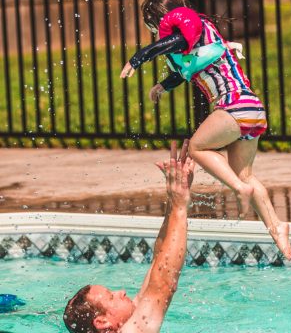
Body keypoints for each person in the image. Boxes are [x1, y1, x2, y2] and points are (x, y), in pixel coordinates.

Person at [120, 0, 291, 260]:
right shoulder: (199, 36)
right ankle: (277, 228)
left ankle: (239, 190)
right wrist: (164, 86)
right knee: (245, 174)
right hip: (251, 108)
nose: (155, 32)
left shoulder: (194, 28)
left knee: (198, 147)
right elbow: (186, 67)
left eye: (153, 25)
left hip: (233, 105)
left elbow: (174, 44)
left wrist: (138, 58)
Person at [63, 140, 195, 333]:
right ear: (102, 322)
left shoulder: (130, 322)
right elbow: (165, 284)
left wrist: (174, 198)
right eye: (111, 297)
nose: (121, 292)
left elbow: (159, 263)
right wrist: (181, 204)